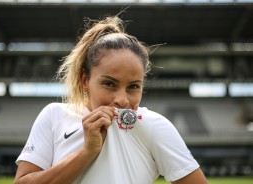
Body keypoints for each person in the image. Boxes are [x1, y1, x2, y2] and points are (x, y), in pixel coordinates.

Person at [14, 16, 208, 184]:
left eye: (133, 86)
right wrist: (86, 153)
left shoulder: (154, 125)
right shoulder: (54, 116)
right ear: (85, 80)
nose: (122, 100)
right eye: (109, 84)